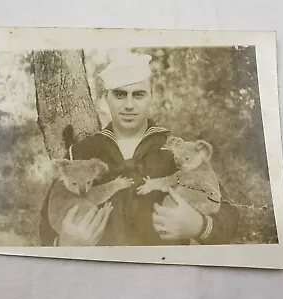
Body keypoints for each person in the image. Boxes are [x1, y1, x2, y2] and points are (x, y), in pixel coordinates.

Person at [39, 51, 239, 246]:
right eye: (119, 94)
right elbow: (46, 227)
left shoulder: (178, 151)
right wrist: (65, 243)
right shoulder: (81, 153)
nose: (129, 104)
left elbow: (228, 215)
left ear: (151, 96)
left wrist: (199, 226)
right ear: (106, 97)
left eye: (138, 94)